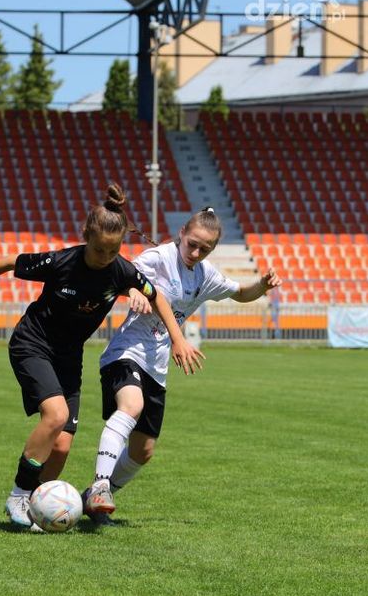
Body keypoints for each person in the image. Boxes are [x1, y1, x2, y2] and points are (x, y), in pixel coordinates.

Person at [0, 184, 198, 530]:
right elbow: (8, 262)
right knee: (56, 415)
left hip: (68, 356)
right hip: (33, 343)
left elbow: (157, 296)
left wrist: (176, 336)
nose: (105, 257)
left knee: (61, 446)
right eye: (99, 249)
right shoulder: (61, 261)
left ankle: (38, 510)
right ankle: (19, 495)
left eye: (113, 251)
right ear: (86, 237)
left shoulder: (121, 270)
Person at [84, 206, 282, 523]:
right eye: (192, 244)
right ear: (182, 233)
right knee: (131, 406)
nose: (196, 252)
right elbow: (120, 275)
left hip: (157, 367)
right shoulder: (158, 257)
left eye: (205, 249)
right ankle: (100, 485)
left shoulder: (205, 275)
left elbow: (241, 293)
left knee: (143, 452)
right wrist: (133, 290)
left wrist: (262, 285)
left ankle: (89, 501)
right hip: (127, 352)